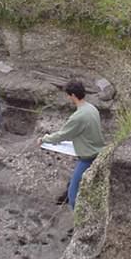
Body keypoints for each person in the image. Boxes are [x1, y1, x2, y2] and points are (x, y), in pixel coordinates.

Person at [38, 80, 105, 210]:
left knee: (73, 195)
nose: (68, 98)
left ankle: (79, 224)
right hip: (98, 152)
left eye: (68, 95)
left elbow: (62, 135)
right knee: (77, 182)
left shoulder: (78, 117)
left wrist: (44, 139)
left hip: (88, 158)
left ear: (73, 95)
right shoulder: (92, 108)